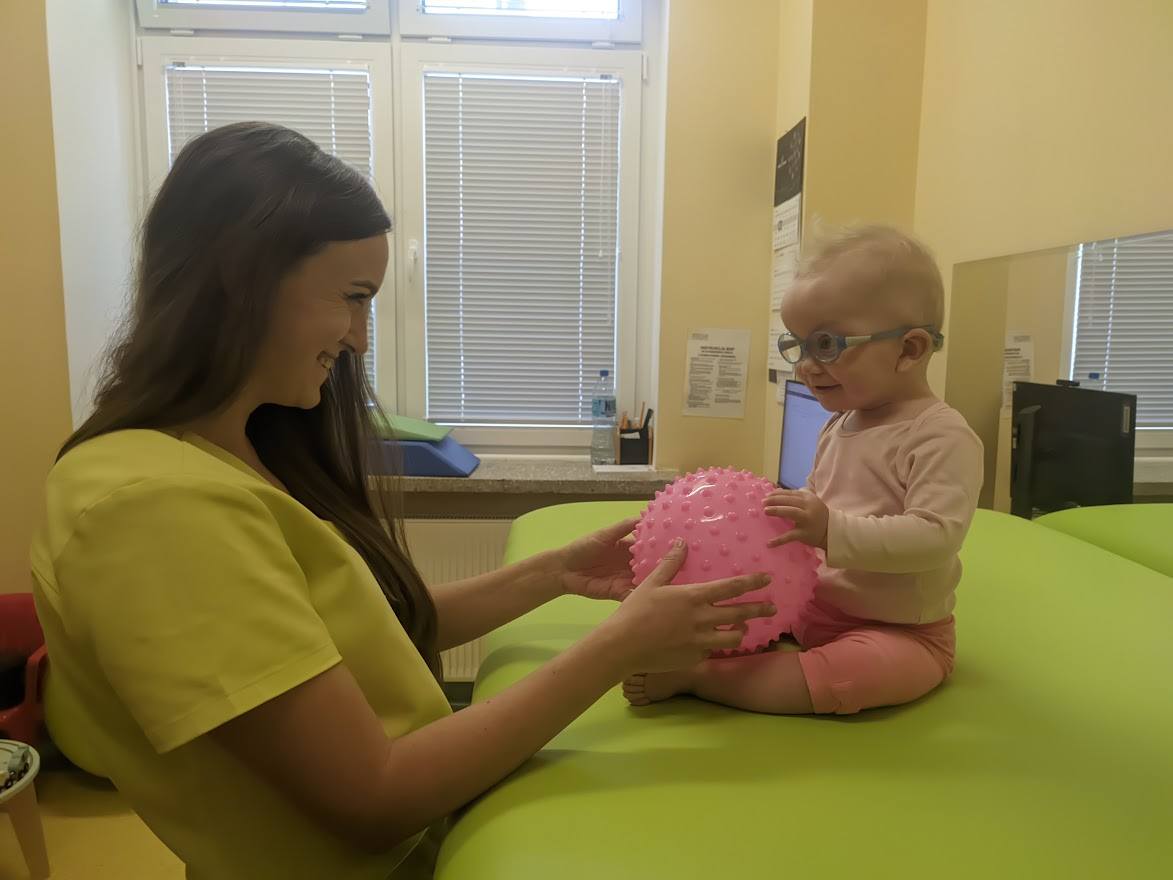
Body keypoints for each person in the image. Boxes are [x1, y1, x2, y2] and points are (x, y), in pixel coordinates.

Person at [29, 122, 777, 880]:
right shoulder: (156, 510)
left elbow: (368, 631)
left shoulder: (232, 451)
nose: (359, 338)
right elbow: (375, 798)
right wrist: (618, 648)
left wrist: (554, 572)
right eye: (352, 298)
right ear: (241, 282)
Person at [624, 226, 984, 716]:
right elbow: (813, 502)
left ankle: (700, 678)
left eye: (827, 344)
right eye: (799, 345)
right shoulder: (840, 423)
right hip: (811, 606)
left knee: (851, 674)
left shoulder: (940, 435)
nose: (806, 366)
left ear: (909, 350)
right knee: (736, 608)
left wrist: (830, 530)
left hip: (900, 631)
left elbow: (936, 537)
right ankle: (706, 651)